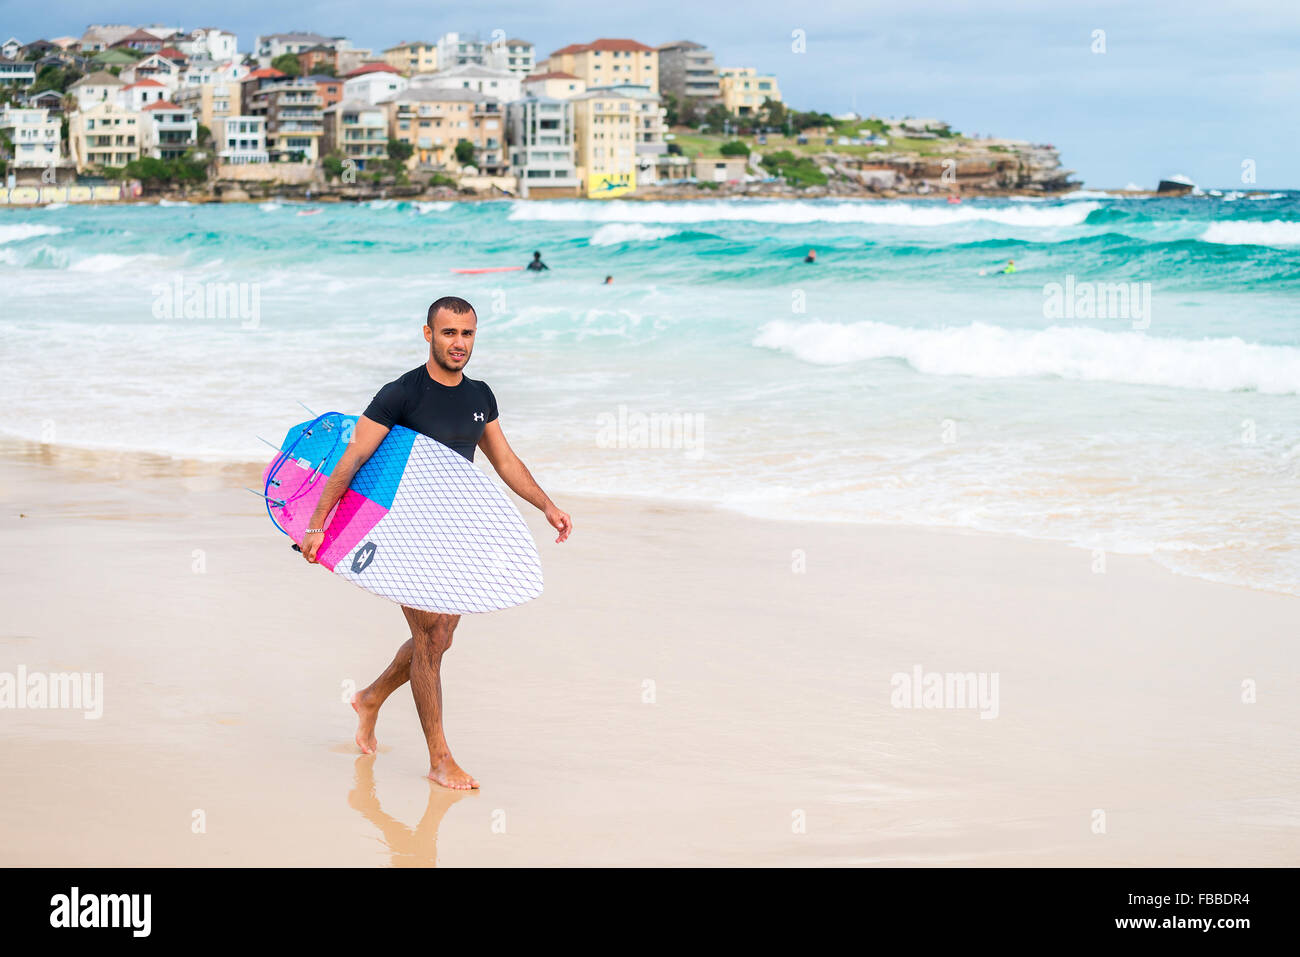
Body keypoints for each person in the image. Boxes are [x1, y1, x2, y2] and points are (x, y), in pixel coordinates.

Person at [300, 296, 573, 789]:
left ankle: (370, 698)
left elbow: (504, 460)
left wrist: (546, 506)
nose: (459, 343)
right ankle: (440, 758)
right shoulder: (400, 395)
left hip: (455, 529)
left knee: (442, 638)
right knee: (428, 639)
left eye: (467, 334)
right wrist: (318, 524)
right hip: (403, 530)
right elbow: (354, 458)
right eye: (449, 333)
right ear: (428, 334)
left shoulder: (480, 396)